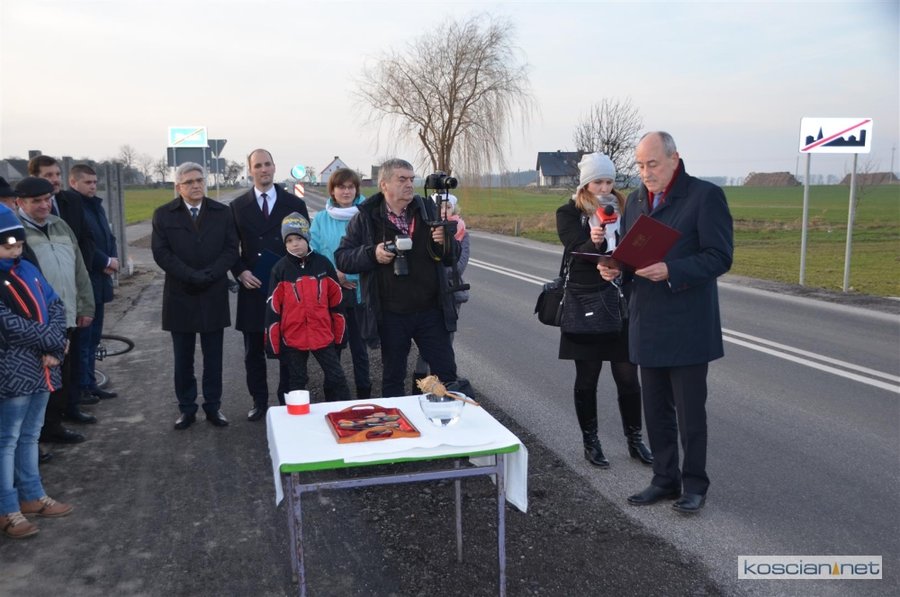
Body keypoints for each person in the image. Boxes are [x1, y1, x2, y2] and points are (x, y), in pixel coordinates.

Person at [599, 132, 733, 514]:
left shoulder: (704, 196)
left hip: (688, 324)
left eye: (653, 164)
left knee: (690, 415)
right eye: (640, 166)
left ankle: (695, 485)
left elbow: (720, 256)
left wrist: (672, 270)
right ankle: (664, 479)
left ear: (675, 158)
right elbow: (631, 253)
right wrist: (615, 268)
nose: (646, 173)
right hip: (647, 320)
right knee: (656, 411)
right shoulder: (636, 200)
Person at [557, 153, 652, 468]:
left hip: (619, 301)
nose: (604, 187)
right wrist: (594, 242)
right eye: (598, 181)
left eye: (609, 181)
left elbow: (634, 248)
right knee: (588, 378)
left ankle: (635, 440)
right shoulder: (569, 212)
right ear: (586, 183)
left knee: (628, 376)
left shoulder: (625, 208)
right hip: (586, 302)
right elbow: (574, 249)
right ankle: (591, 442)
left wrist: (626, 262)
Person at [335, 158, 460, 398]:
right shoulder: (366, 217)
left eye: (412, 179)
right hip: (391, 313)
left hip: (431, 310)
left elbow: (451, 257)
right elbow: (343, 258)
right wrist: (372, 254)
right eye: (402, 179)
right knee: (393, 377)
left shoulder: (427, 209)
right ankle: (396, 420)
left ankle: (447, 418)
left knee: (446, 374)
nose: (409, 185)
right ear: (384, 184)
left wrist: (446, 242)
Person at [0, 204, 72, 539]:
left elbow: (55, 304)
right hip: (12, 371)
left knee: (31, 434)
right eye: (7, 244)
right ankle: (7, 508)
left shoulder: (27, 268)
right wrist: (54, 342)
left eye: (19, 242)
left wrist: (55, 346)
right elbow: (8, 325)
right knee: (7, 439)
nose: (16, 249)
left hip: (43, 368)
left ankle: (31, 494)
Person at [151, 163, 239, 430]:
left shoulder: (222, 212)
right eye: (189, 182)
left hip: (213, 292)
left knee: (213, 358)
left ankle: (213, 406)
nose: (196, 185)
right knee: (183, 358)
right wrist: (190, 275)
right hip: (180, 294)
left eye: (199, 180)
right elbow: (161, 253)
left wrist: (211, 274)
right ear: (178, 186)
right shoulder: (164, 214)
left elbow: (231, 249)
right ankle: (187, 408)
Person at [230, 149, 309, 422]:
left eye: (267, 164)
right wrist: (240, 271)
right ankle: (259, 401)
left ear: (274, 167)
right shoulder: (237, 206)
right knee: (253, 350)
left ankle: (287, 400)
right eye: (258, 166)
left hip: (287, 287)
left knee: (289, 348)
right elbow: (230, 247)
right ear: (250, 170)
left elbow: (305, 242)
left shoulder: (294, 204)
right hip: (252, 286)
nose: (263, 169)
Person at [15, 177, 95, 443]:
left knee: (64, 372)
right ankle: (36, 434)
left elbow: (79, 268)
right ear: (20, 202)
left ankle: (57, 423)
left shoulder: (60, 225)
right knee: (39, 378)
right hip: (36, 319)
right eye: (36, 201)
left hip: (66, 313)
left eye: (47, 199)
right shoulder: (16, 232)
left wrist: (85, 305)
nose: (44, 205)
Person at [265, 213, 351, 402]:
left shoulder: (323, 264)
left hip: (323, 335)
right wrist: (273, 344)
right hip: (293, 337)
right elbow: (273, 309)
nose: (295, 244)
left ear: (307, 238)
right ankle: (296, 416)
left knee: (336, 377)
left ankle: (341, 411)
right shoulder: (280, 269)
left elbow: (337, 303)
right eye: (289, 241)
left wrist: (340, 335)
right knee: (296, 381)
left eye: (299, 238)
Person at [309, 168, 372, 399]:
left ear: (356, 189)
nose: (346, 191)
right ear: (332, 190)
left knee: (360, 349)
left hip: (360, 290)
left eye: (350, 187)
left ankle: (364, 395)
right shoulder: (321, 219)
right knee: (333, 347)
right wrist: (336, 275)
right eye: (341, 187)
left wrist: (350, 273)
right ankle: (332, 395)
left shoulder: (367, 216)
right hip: (331, 291)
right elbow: (314, 252)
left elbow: (371, 250)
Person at [69, 165, 120, 408]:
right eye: (87, 182)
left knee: (94, 337)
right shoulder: (75, 207)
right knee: (83, 338)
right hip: (87, 279)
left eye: (94, 182)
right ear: (73, 182)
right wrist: (106, 262)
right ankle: (81, 387)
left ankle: (90, 383)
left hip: (101, 280)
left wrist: (113, 259)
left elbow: (109, 236)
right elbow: (83, 243)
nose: (93, 186)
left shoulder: (96, 206)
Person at [412, 193, 470, 390]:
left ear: (454, 209)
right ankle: (419, 385)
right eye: (440, 207)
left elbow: (459, 266)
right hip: (427, 293)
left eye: (447, 207)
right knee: (425, 343)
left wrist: (436, 271)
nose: (444, 211)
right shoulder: (426, 229)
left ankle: (443, 387)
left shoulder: (461, 232)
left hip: (451, 293)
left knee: (445, 343)